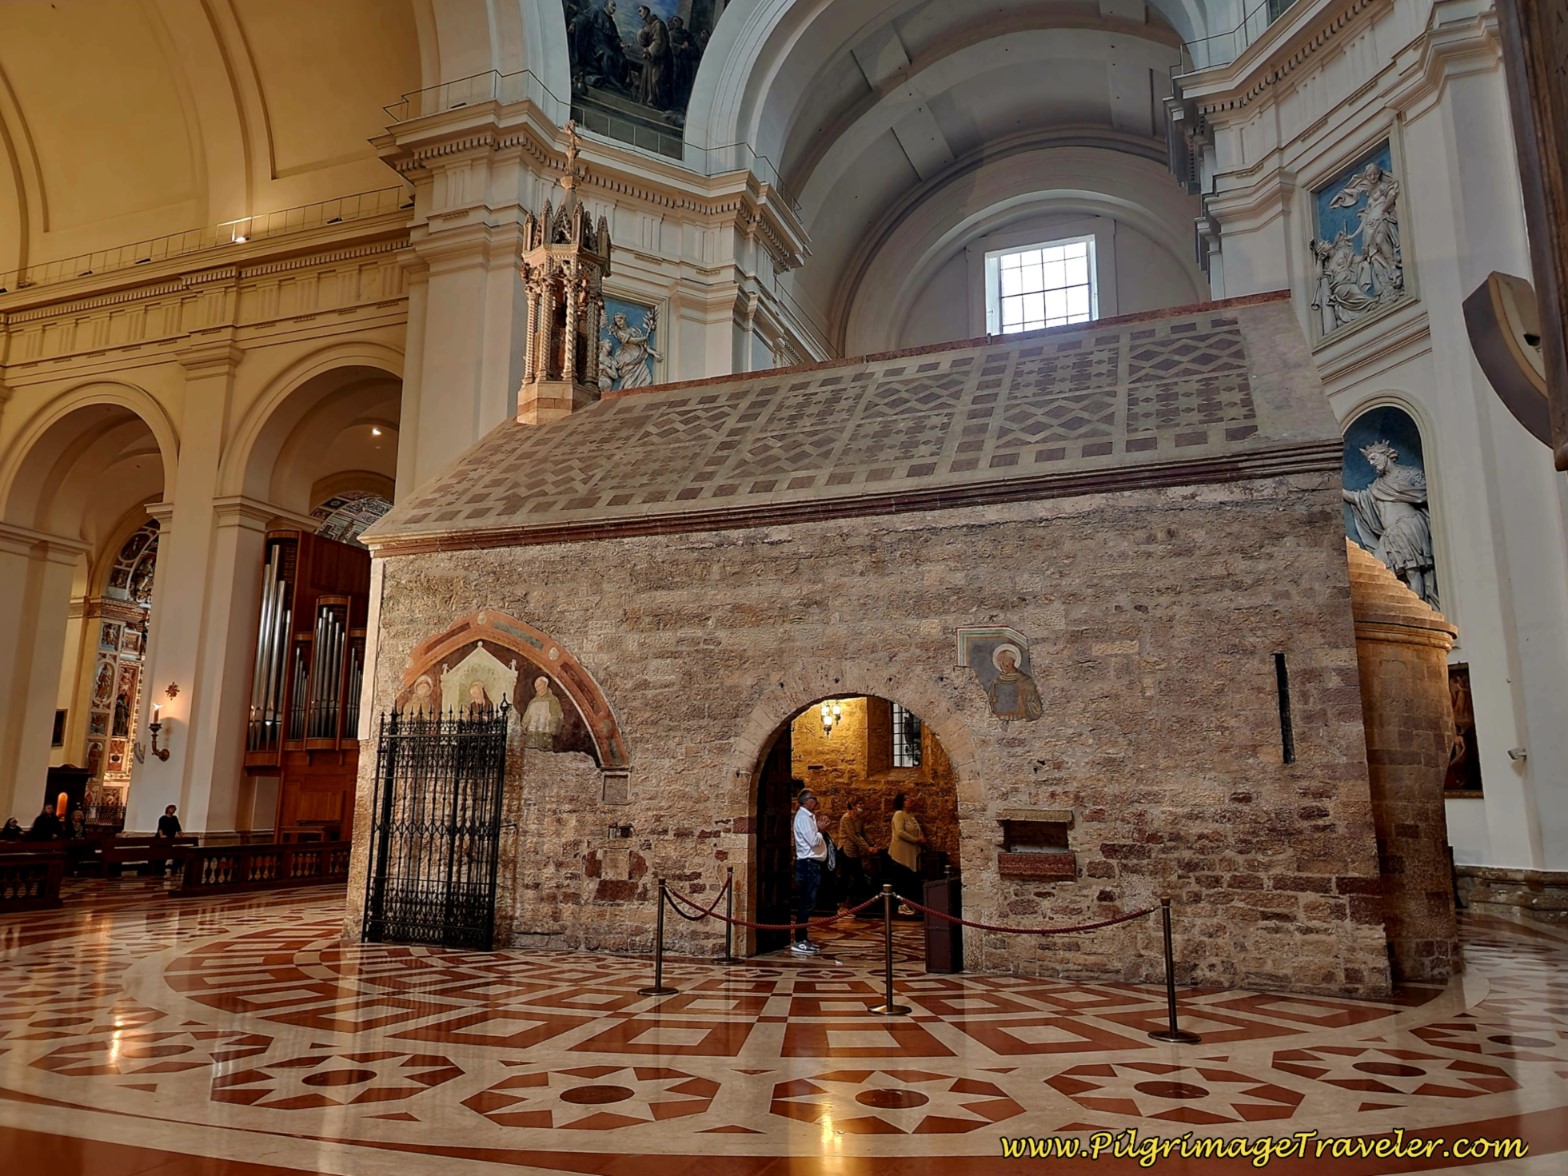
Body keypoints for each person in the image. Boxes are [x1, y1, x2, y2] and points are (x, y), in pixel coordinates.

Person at [1343, 440, 1438, 609]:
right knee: (1380, 569)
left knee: (1412, 570)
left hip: (1408, 525)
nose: (1372, 463)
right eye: (1369, 461)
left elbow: (1424, 494)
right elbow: (1359, 498)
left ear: (1385, 455)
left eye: (1374, 458)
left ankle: (1418, 609)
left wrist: (1398, 492)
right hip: (1390, 532)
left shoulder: (1409, 474)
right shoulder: (1377, 485)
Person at [792, 790, 828, 954]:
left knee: (809, 902)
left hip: (812, 864)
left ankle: (804, 938)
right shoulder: (802, 818)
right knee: (805, 902)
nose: (817, 801)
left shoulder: (809, 817)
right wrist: (820, 830)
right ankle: (799, 939)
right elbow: (813, 841)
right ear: (807, 801)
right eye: (814, 798)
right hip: (807, 865)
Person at [888, 793, 925, 917]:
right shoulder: (899, 814)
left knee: (910, 880)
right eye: (907, 799)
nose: (910, 801)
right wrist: (916, 840)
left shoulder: (910, 816)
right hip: (901, 854)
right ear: (902, 802)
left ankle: (910, 904)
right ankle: (902, 905)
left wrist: (921, 837)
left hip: (911, 852)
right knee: (903, 880)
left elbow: (917, 830)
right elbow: (900, 832)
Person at [837, 799, 877, 908]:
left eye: (862, 803)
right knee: (846, 876)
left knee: (857, 875)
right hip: (846, 849)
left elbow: (863, 833)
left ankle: (855, 901)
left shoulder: (859, 818)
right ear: (853, 806)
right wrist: (867, 848)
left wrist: (872, 844)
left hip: (854, 851)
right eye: (859, 804)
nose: (862, 806)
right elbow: (854, 836)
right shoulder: (846, 818)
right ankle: (843, 902)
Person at [987, 645, 1043, 721]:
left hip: (1021, 723)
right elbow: (990, 703)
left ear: (1013, 661)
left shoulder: (1025, 681)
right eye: (1000, 663)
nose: (1003, 666)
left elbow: (1036, 708)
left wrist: (1023, 702)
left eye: (1005, 662)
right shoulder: (997, 681)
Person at [522, 674, 564, 751]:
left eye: (539, 685)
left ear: (545, 685)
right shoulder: (533, 701)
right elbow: (527, 715)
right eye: (536, 686)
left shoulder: (553, 700)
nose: (537, 688)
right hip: (532, 734)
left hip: (545, 733)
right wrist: (524, 725)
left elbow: (557, 715)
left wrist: (553, 728)